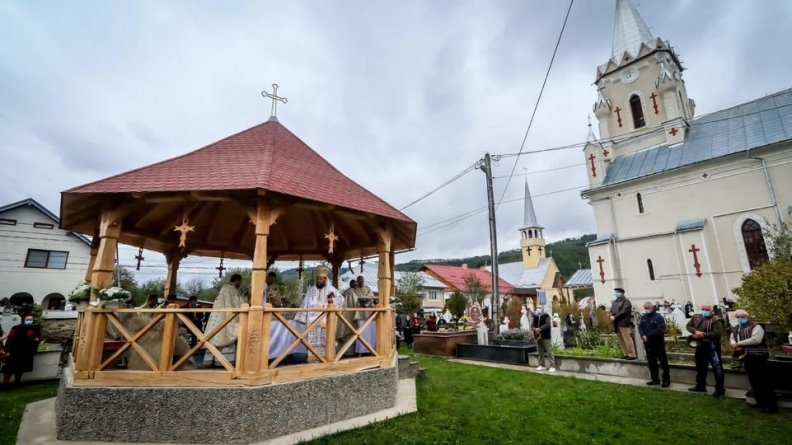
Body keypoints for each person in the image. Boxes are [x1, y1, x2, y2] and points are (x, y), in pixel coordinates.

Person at [731, 309, 777, 413]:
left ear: (747, 317)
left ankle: (771, 405)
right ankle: (760, 402)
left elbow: (756, 339)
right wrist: (734, 344)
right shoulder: (737, 328)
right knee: (754, 380)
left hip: (758, 355)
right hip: (747, 356)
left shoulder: (756, 326)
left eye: (742, 317)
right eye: (738, 317)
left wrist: (739, 344)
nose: (740, 319)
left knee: (763, 381)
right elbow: (732, 337)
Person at [294, 266, 340, 357]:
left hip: (327, 321)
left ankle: (328, 357)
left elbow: (341, 300)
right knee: (313, 340)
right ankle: (313, 357)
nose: (318, 280)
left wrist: (332, 301)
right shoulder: (311, 290)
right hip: (313, 321)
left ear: (325, 279)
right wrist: (301, 316)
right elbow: (305, 303)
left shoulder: (332, 290)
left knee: (326, 339)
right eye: (317, 279)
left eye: (321, 279)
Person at [202, 274, 246, 367]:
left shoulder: (223, 288)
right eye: (240, 282)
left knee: (215, 336)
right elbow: (238, 304)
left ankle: (211, 360)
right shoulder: (232, 290)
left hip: (217, 317)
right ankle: (225, 361)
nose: (240, 284)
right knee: (226, 335)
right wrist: (247, 301)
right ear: (237, 280)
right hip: (227, 317)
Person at [686, 303, 725, 397]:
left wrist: (703, 335)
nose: (704, 311)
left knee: (717, 368)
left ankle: (720, 389)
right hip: (700, 345)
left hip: (712, 346)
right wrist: (695, 332)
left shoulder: (716, 320)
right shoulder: (696, 317)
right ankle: (700, 385)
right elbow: (688, 326)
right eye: (703, 309)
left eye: (707, 309)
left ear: (711, 310)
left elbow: (718, 333)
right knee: (700, 367)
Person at [2, 314, 42, 387]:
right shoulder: (16, 328)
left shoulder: (34, 328)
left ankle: (17, 383)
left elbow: (40, 336)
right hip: (15, 351)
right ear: (23, 320)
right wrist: (7, 351)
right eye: (27, 320)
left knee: (21, 369)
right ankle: (5, 384)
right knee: (9, 368)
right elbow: (9, 339)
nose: (29, 321)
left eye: (31, 320)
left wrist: (38, 339)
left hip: (26, 352)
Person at [638, 302, 670, 388]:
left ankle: (666, 380)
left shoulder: (659, 318)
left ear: (652, 308)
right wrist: (643, 335)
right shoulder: (643, 317)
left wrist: (648, 336)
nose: (646, 310)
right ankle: (655, 379)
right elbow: (640, 327)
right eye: (645, 308)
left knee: (663, 363)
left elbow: (660, 329)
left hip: (658, 343)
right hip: (648, 344)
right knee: (652, 363)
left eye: (647, 308)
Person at [609, 288, 637, 360]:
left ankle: (632, 354)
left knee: (627, 338)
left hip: (623, 322)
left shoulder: (626, 301)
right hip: (616, 322)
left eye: (617, 292)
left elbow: (624, 311)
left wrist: (615, 316)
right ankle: (626, 353)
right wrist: (611, 315)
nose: (616, 293)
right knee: (621, 339)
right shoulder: (614, 302)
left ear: (622, 293)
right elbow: (611, 310)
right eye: (615, 292)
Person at [532, 304, 555, 372]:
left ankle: (553, 366)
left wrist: (540, 329)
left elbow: (547, 325)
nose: (538, 309)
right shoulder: (535, 316)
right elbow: (532, 325)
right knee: (540, 351)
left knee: (549, 351)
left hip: (545, 336)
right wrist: (534, 329)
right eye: (537, 307)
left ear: (543, 309)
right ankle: (541, 365)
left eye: (539, 307)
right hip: (537, 336)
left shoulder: (546, 316)